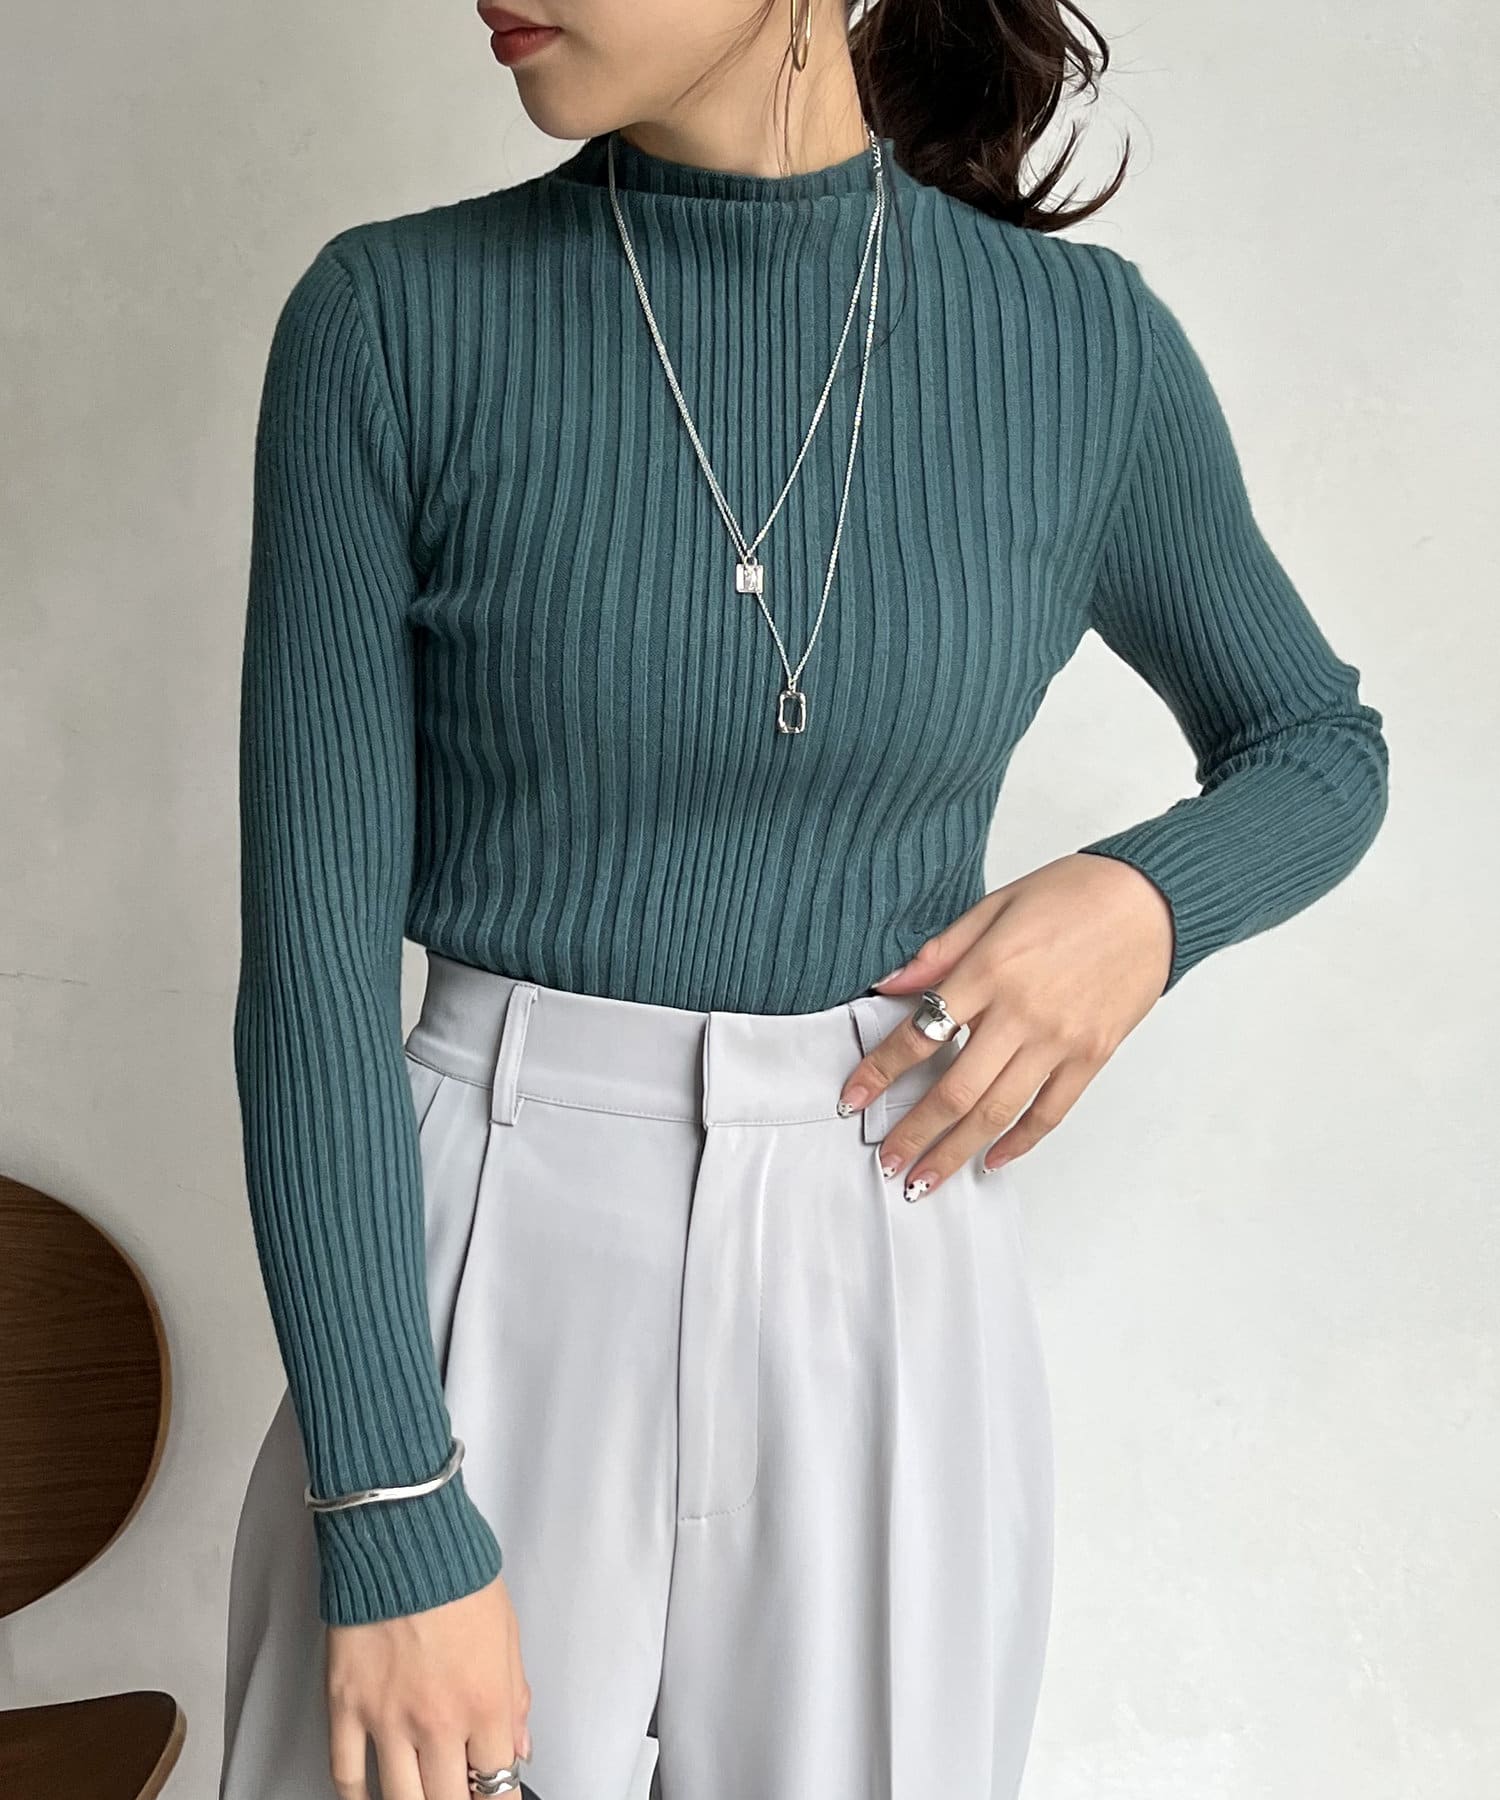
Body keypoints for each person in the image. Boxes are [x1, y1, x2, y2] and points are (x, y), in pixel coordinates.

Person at [217, 2, 1391, 1797]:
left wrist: (1140, 907)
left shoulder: (1082, 351)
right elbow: (309, 968)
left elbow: (1317, 744)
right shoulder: (391, 321)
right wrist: (385, 1503)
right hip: (479, 1259)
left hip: (884, 1256)